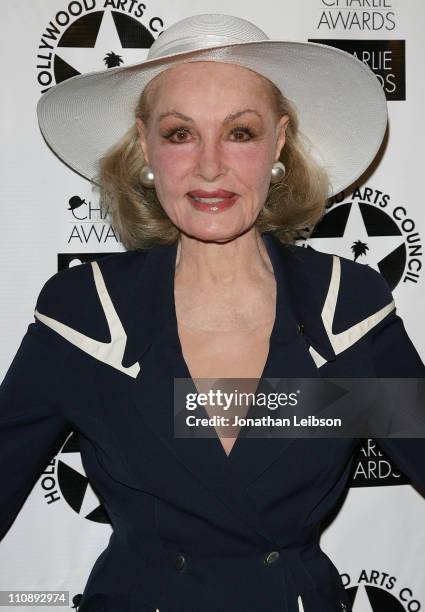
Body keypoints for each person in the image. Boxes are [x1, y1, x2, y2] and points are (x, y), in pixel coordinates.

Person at [1, 12, 424, 612]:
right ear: (144, 146)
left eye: (240, 133)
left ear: (278, 143)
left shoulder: (344, 309)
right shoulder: (88, 316)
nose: (208, 166)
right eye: (179, 134)